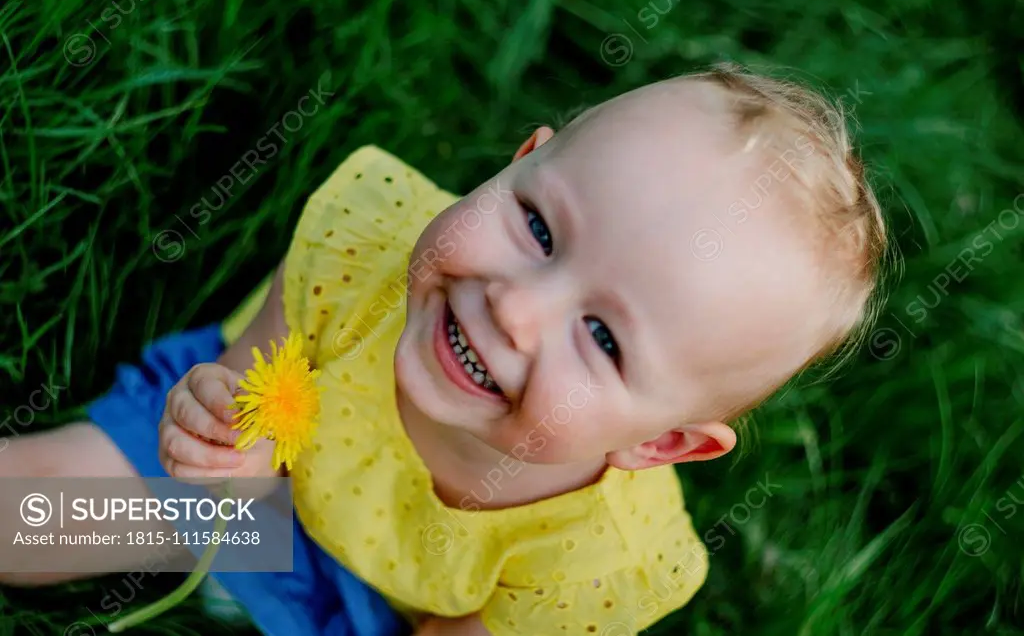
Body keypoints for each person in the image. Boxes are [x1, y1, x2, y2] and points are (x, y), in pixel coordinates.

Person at [0, 64, 888, 636]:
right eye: (537, 224)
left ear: (661, 445)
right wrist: (223, 442)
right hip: (249, 493)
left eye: (605, 337)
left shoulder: (601, 560)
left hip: (370, 613)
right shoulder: (367, 242)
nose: (515, 307)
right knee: (24, 518)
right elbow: (251, 383)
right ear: (518, 161)